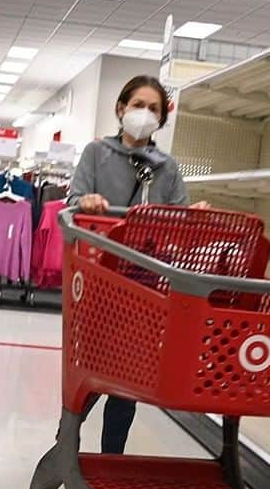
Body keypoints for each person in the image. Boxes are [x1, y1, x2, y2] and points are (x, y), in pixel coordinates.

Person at [68, 75, 201, 455]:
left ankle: (112, 461)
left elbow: (179, 215)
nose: (144, 114)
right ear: (121, 109)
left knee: (128, 384)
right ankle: (66, 446)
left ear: (162, 119)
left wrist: (194, 214)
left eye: (154, 108)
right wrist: (87, 202)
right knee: (92, 372)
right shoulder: (97, 153)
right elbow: (74, 201)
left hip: (145, 285)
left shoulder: (167, 167)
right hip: (99, 279)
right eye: (138, 105)